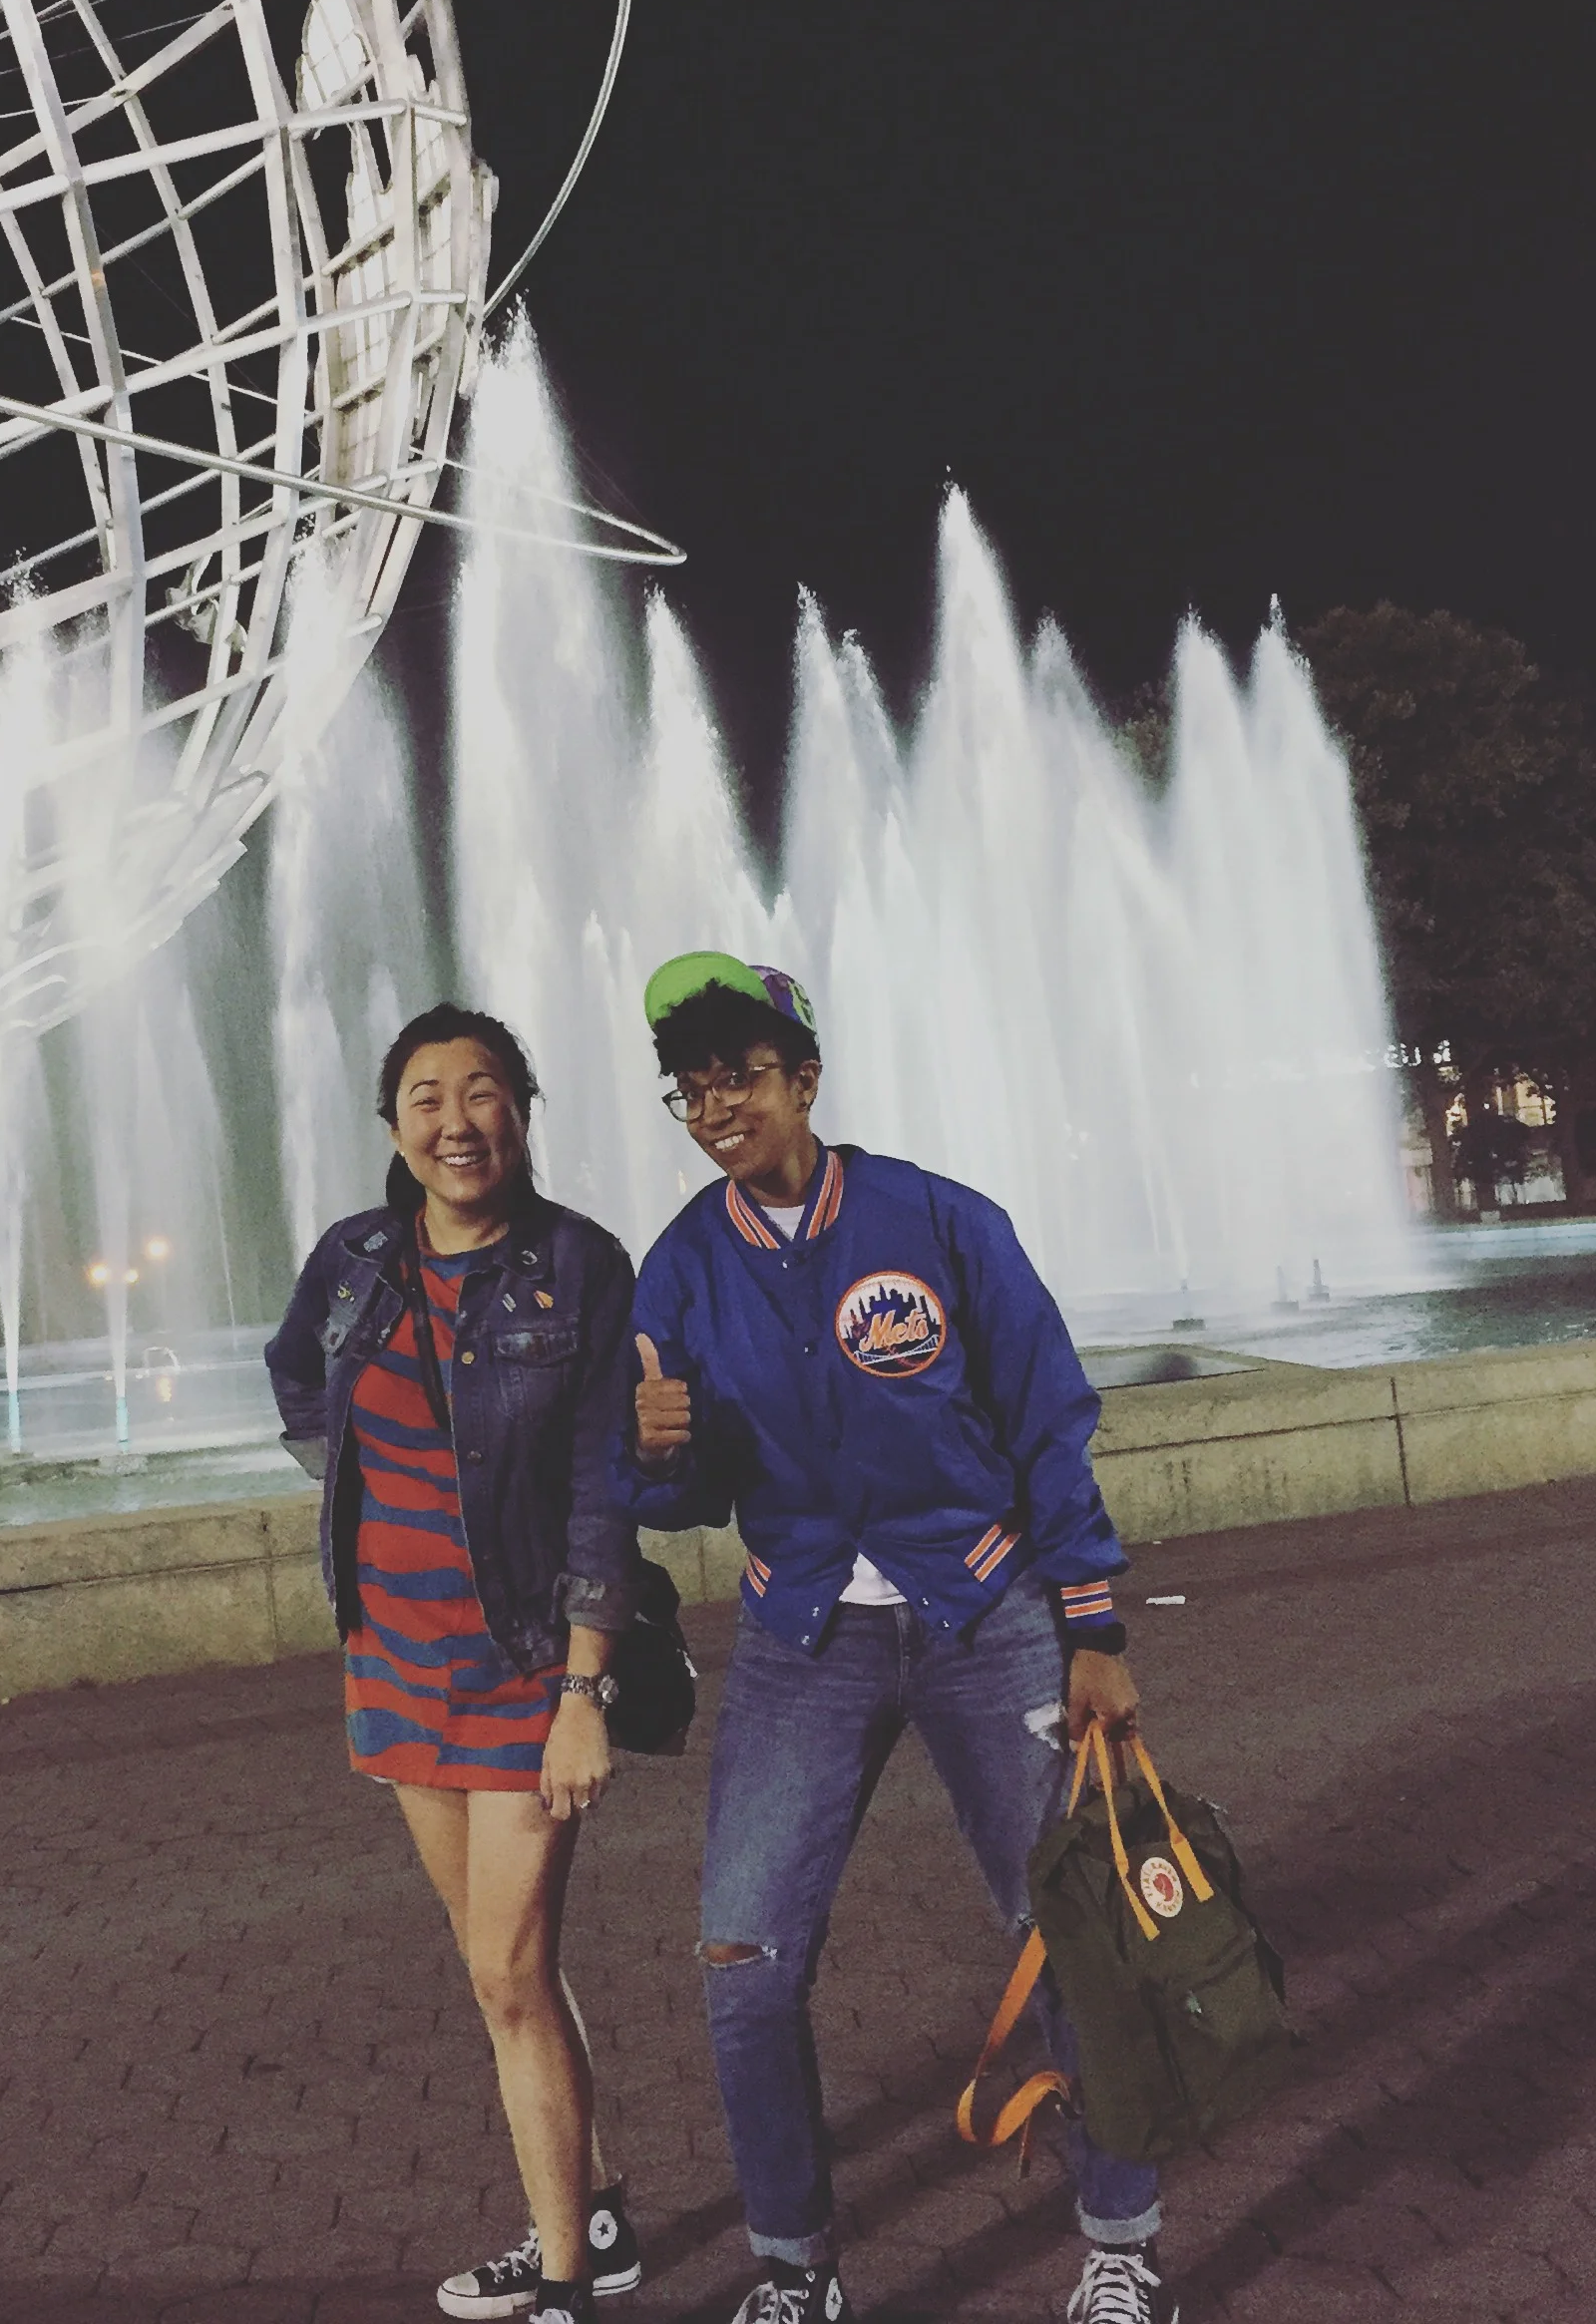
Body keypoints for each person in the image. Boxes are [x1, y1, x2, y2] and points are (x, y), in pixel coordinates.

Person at [622, 955, 1177, 2324]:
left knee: (1075, 1932)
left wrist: (1092, 1623)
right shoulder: (682, 1267)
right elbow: (685, 1497)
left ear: (805, 1079)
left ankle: (1122, 2248)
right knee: (744, 1966)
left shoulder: (940, 1220)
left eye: (740, 1077)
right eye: (691, 1089)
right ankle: (795, 2270)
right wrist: (654, 1457)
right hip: (800, 1635)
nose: (716, 1107)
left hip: (985, 1615)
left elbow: (1049, 1419)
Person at [265, 1005, 647, 2324]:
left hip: (524, 1666)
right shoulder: (355, 1259)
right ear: (394, 1127)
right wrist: (363, 1509)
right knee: (507, 1972)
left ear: (521, 1112)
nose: (455, 1121)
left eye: (481, 1091)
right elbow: (297, 1380)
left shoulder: (579, 1265)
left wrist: (584, 1693)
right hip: (394, 1658)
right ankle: (592, 2213)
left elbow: (603, 1490)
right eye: (425, 1097)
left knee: (505, 1972)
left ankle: (566, 2282)